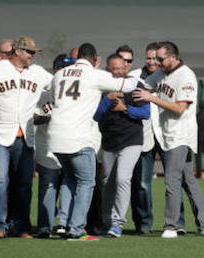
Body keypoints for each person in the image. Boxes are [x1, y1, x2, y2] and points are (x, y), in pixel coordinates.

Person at [47, 43, 138, 241]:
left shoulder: (59, 74)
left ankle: (63, 223)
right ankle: (77, 228)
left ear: (77, 56)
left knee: (69, 179)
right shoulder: (94, 75)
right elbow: (128, 86)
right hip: (78, 137)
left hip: (55, 136)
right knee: (87, 182)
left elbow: (55, 97)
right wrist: (136, 76)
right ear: (95, 59)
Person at [0, 37, 54, 239]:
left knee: (24, 183)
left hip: (25, 136)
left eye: (34, 52)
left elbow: (57, 87)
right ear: (17, 51)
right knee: (0, 181)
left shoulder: (37, 72)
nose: (32, 56)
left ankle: (22, 227)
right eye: (30, 52)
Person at [134, 41, 204, 238]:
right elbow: (144, 85)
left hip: (181, 135)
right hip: (167, 135)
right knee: (188, 181)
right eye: (155, 58)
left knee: (172, 180)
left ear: (173, 57)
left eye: (160, 59)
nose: (157, 62)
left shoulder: (186, 76)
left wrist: (151, 98)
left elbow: (179, 108)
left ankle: (171, 226)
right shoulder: (161, 73)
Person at [94, 54, 150, 238]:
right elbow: (96, 115)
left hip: (131, 140)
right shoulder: (102, 86)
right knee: (106, 183)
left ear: (126, 68)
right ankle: (107, 223)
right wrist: (108, 99)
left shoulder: (136, 85)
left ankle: (118, 223)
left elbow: (145, 113)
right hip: (109, 141)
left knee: (122, 179)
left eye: (120, 68)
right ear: (108, 70)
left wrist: (125, 108)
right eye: (113, 69)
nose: (117, 72)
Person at [33, 54, 76, 239]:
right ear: (55, 70)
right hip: (47, 148)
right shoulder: (43, 94)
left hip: (69, 146)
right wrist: (52, 117)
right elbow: (32, 117)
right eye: (61, 69)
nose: (65, 73)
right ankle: (44, 226)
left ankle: (64, 225)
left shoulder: (76, 94)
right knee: (48, 187)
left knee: (69, 185)